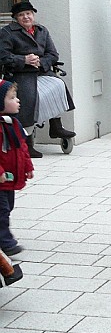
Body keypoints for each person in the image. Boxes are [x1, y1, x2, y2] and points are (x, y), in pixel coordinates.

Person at [0, 2, 76, 158]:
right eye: (21, 15)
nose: (26, 17)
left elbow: (53, 54)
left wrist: (40, 62)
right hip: (20, 73)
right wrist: (24, 60)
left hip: (41, 70)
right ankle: (27, 142)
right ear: (16, 18)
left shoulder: (42, 30)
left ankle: (56, 126)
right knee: (30, 97)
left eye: (28, 13)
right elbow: (3, 56)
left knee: (58, 85)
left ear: (33, 15)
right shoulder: (7, 33)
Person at [0, 80, 34, 257]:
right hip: (2, 178)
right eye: (12, 98)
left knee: (8, 207)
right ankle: (6, 243)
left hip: (9, 178)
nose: (18, 100)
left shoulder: (13, 124)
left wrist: (27, 166)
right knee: (2, 211)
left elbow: (22, 147)